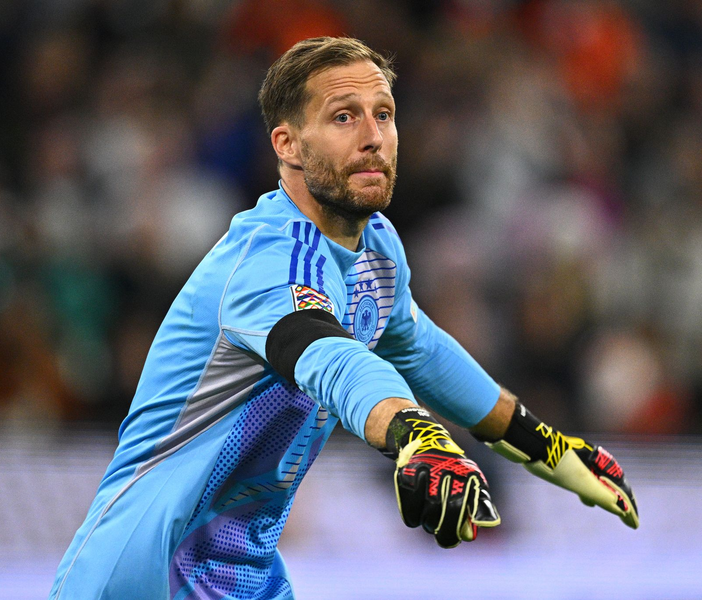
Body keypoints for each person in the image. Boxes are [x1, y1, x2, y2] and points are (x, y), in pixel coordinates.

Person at [50, 37, 639, 600]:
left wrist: (549, 447)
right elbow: (332, 358)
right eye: (343, 117)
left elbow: (423, 352)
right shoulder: (267, 259)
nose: (373, 137)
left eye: (383, 114)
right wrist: (416, 435)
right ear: (287, 145)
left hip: (239, 573)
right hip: (143, 572)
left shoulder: (376, 248)